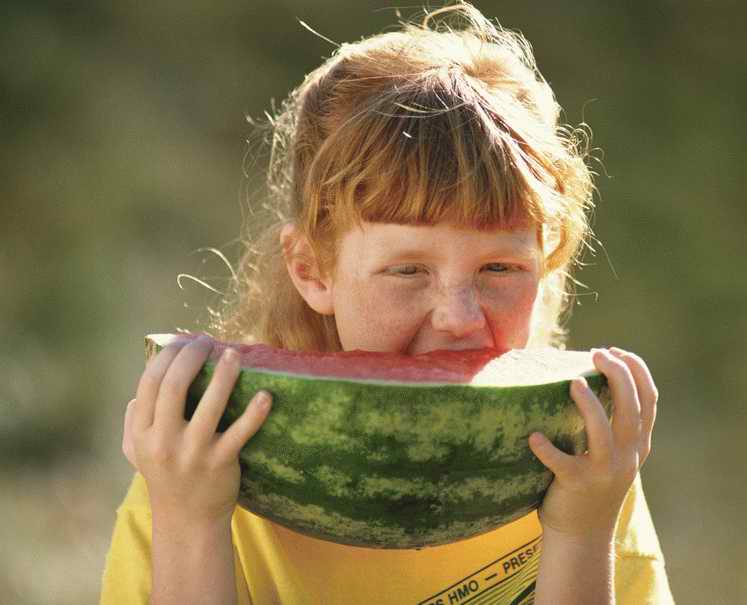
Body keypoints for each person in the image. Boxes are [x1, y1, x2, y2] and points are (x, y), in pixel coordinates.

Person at [101, 3, 674, 603]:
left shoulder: (586, 466)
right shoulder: (194, 466)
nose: (459, 318)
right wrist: (191, 522)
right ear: (311, 269)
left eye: (499, 268)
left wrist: (581, 533)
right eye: (407, 270)